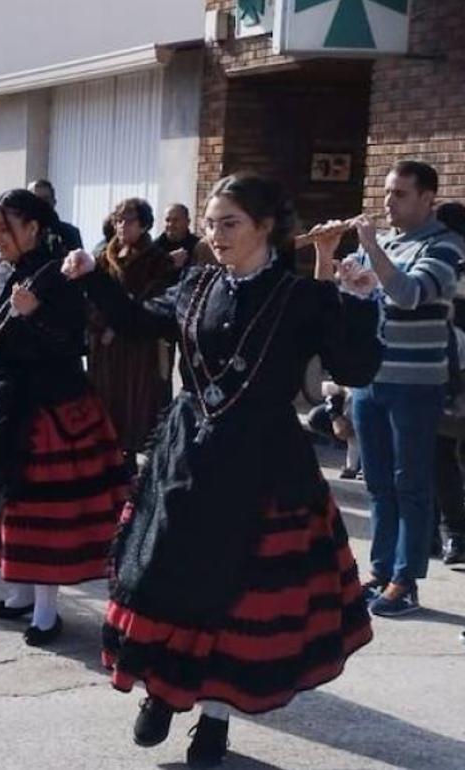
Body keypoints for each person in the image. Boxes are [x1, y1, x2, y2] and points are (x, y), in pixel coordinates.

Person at [69, 173, 381, 768]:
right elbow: (138, 322)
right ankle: (162, 690)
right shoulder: (194, 282)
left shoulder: (303, 298)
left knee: (238, 601)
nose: (216, 235)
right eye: (211, 223)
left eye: (229, 223)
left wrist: (362, 302)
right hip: (187, 452)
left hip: (262, 462)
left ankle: (214, 720)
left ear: (265, 227)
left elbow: (356, 368)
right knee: (163, 573)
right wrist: (91, 279)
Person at [0, 189, 129, 648]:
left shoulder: (60, 275)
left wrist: (35, 318)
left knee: (41, 509)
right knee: (4, 500)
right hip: (0, 398)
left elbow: (72, 342)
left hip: (48, 406)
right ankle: (18, 595)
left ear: (33, 228)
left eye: (2, 228)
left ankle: (47, 611)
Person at [318, 161, 464, 617]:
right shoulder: (387, 245)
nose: (387, 202)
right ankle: (381, 571)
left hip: (416, 383)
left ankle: (407, 579)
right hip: (371, 379)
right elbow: (336, 300)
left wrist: (369, 249)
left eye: (399, 194)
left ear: (427, 198)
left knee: (411, 482)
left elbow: (408, 293)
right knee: (378, 483)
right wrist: (328, 256)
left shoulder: (447, 246)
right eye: (386, 192)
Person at [86, 198, 177, 464]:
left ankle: (135, 462)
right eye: (118, 220)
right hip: (104, 348)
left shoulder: (157, 260)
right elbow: (90, 297)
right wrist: (101, 325)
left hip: (138, 347)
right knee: (107, 405)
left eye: (128, 220)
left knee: (137, 408)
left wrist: (119, 324)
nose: (122, 226)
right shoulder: (104, 257)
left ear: (144, 224)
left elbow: (156, 300)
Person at [435, 200, 465, 564]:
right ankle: (451, 533)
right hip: (443, 367)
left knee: (440, 454)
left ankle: (453, 533)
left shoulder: (445, 263)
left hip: (448, 368)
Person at [153, 203, 216, 270]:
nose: (171, 224)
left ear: (188, 222)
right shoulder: (155, 247)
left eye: (175, 220)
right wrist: (168, 261)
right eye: (167, 220)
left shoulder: (199, 247)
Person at [27, 179, 84, 251]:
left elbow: (79, 260)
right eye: (37, 199)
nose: (41, 204)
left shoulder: (69, 233)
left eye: (45, 199)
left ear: (54, 202)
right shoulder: (21, 235)